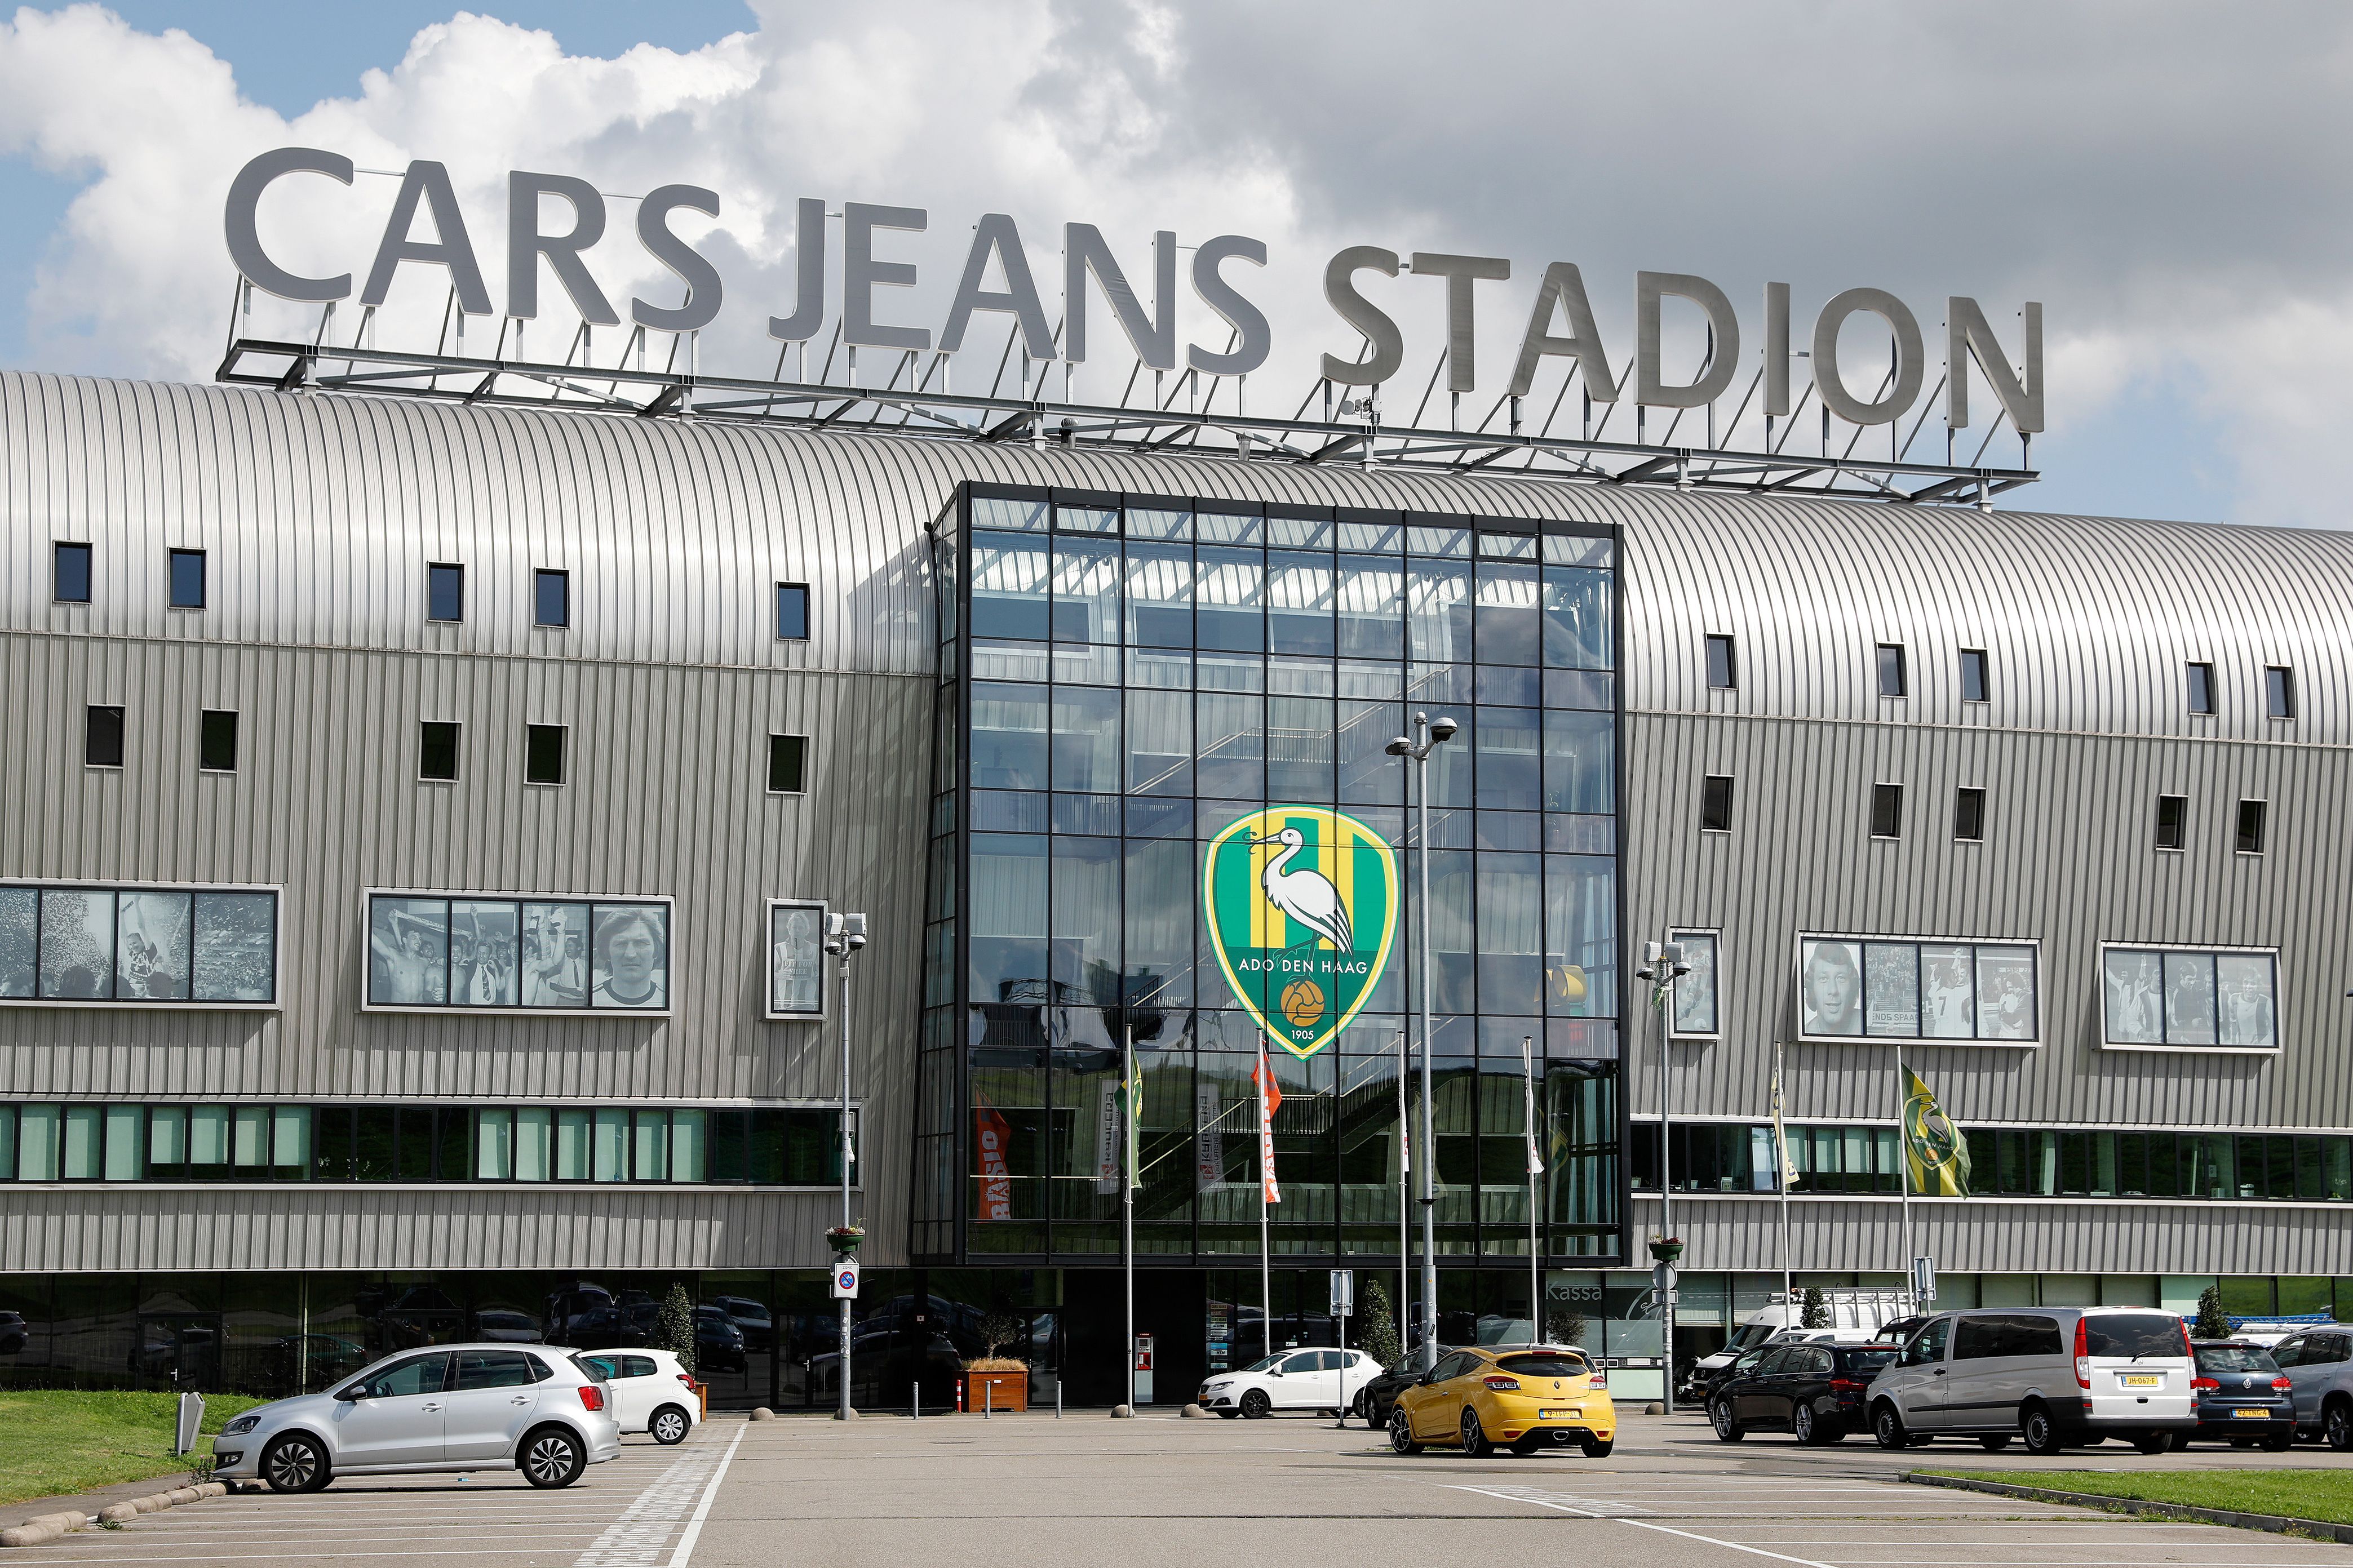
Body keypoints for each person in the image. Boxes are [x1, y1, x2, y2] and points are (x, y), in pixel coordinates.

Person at [592, 909, 667, 1009]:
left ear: (656, 951)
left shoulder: (667, 1001)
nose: (630, 954)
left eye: (641, 943)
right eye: (621, 944)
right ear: (607, 952)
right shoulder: (593, 999)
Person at [369, 907, 445, 1004]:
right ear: (405, 940)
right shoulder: (394, 957)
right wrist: (371, 909)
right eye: (414, 938)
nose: (419, 941)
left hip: (419, 1011)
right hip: (398, 1010)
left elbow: (439, 971)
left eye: (420, 939)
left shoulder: (425, 962)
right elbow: (371, 938)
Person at [1802, 942, 1861, 1035]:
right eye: (1823, 979)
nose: (1833, 991)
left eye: (1841, 978)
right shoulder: (1805, 1032)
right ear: (1812, 988)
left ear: (1852, 985)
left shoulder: (1869, 1026)